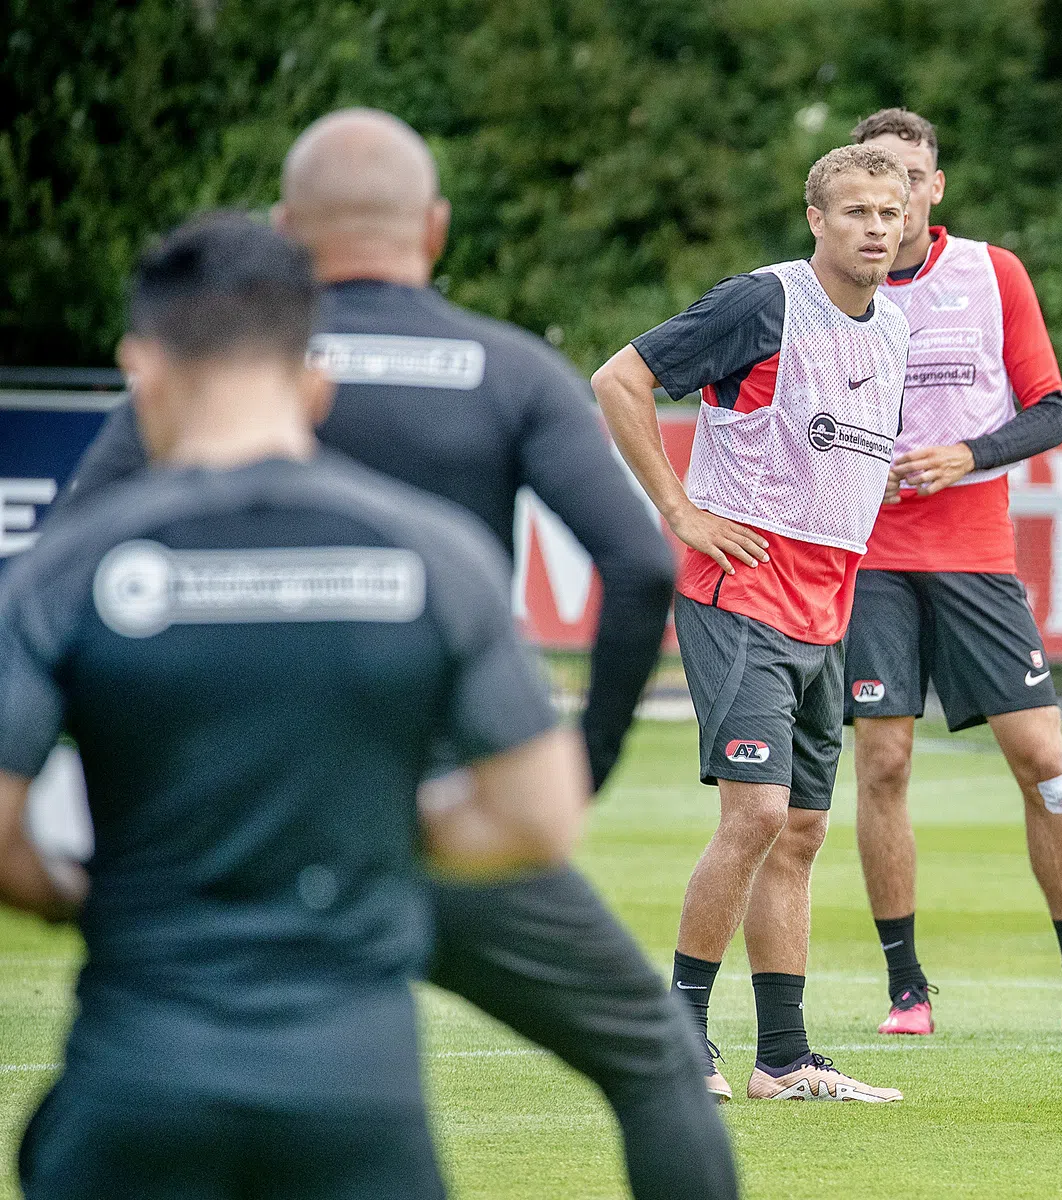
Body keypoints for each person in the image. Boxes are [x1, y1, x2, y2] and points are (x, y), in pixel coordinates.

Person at [57, 110, 738, 1197]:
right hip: (450, 830)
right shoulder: (508, 371)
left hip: (238, 833)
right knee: (652, 1059)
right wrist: (579, 767)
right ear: (435, 226)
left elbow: (62, 566)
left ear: (286, 231)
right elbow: (639, 565)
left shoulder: (217, 373)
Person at [0, 213, 587, 1198]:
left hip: (139, 1077)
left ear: (142, 372)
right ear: (316, 381)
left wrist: (73, 890)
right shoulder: (438, 556)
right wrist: (367, 835)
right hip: (356, 1090)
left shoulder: (66, 567)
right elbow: (540, 815)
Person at [591, 144, 911, 1104]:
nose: (874, 227)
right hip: (742, 593)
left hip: (828, 605)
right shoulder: (763, 301)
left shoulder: (892, 328)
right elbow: (619, 381)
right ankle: (676, 1036)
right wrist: (681, 512)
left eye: (889, 213)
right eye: (854, 210)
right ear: (816, 219)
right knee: (758, 814)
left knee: (803, 829)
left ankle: (784, 1057)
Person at [844, 109, 1062, 1039]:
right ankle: (908, 992)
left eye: (910, 175)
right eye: (877, 178)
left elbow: (1052, 411)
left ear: (934, 186)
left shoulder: (991, 273)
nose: (894, 195)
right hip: (870, 560)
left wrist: (968, 454)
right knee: (885, 762)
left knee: (1047, 765)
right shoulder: (827, 291)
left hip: (976, 554)